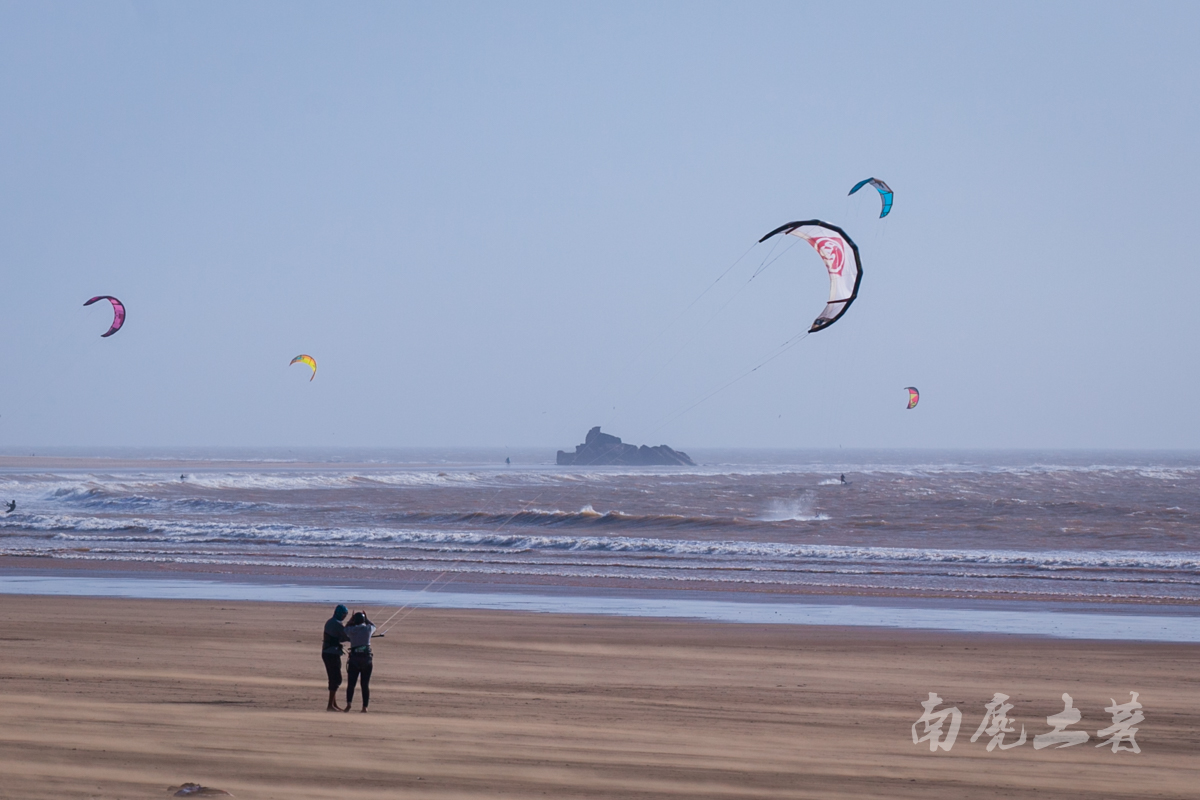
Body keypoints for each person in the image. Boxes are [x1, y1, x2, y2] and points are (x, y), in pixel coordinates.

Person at [344, 610, 377, 713]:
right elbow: (373, 626)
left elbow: (345, 628)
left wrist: (351, 619)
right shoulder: (368, 629)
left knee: (351, 684)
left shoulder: (351, 630)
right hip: (366, 659)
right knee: (365, 684)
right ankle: (364, 707)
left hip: (354, 659)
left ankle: (349, 703)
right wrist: (366, 619)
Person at [322, 604, 350, 711]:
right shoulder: (336, 623)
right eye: (344, 614)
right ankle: (330, 705)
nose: (344, 617)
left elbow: (341, 637)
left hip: (329, 653)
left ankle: (333, 704)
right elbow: (347, 636)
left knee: (333, 678)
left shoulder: (332, 622)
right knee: (336, 678)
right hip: (331, 654)